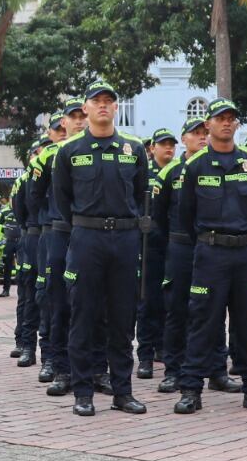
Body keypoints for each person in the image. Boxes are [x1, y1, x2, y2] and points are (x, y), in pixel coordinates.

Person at [173, 97, 247, 414]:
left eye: (232, 118)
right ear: (208, 125)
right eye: (220, 118)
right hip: (211, 253)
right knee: (202, 323)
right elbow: (186, 216)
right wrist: (210, 241)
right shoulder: (194, 167)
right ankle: (191, 390)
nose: (227, 123)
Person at [53, 82, 149, 417]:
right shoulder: (69, 151)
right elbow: (62, 199)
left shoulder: (133, 148)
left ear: (116, 108)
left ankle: (122, 392)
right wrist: (86, 223)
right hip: (86, 239)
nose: (104, 106)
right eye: (98, 101)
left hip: (123, 239)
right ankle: (83, 392)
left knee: (123, 318)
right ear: (86, 108)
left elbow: (140, 195)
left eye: (110, 101)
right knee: (83, 315)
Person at [159, 116, 237, 395]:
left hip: (209, 246)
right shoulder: (171, 172)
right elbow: (158, 218)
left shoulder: (217, 165)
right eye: (195, 133)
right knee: (178, 310)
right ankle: (173, 371)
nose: (201, 137)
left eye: (204, 132)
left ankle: (217, 370)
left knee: (214, 310)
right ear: (184, 139)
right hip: (180, 247)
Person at [34, 104, 85, 396]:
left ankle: (94, 368)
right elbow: (33, 196)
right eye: (73, 118)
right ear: (63, 123)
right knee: (57, 300)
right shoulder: (50, 156)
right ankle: (56, 362)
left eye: (82, 117)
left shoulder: (98, 150)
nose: (78, 122)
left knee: (92, 302)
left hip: (89, 234)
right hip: (58, 231)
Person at [135, 128, 176, 380]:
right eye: (163, 144)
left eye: (172, 144)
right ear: (152, 148)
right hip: (149, 245)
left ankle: (163, 347)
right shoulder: (145, 174)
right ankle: (146, 355)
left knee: (168, 301)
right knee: (147, 301)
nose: (168, 148)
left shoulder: (178, 172)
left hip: (173, 245)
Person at [9, 136, 46, 367]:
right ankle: (25, 344)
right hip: (32, 235)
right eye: (37, 153)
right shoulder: (23, 180)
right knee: (29, 294)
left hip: (55, 234)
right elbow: (19, 210)